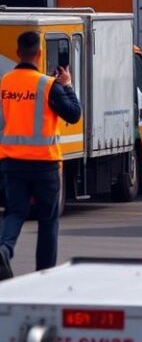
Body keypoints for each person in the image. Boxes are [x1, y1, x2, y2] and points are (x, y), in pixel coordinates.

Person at [0, 31, 82, 279]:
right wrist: (67, 85)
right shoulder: (48, 85)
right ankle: (42, 276)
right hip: (44, 163)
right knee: (48, 220)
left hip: (11, 161)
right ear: (39, 54)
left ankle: (4, 249)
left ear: (17, 53)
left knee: (15, 212)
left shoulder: (4, 82)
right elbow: (74, 114)